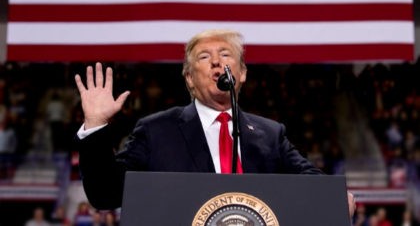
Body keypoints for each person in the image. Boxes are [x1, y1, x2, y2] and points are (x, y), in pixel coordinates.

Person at [75, 29, 355, 214]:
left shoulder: (270, 135)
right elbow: (105, 194)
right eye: (204, 57)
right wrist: (96, 126)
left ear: (242, 73)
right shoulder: (156, 130)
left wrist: (335, 202)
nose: (216, 63)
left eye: (225, 55)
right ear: (189, 78)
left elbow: (313, 185)